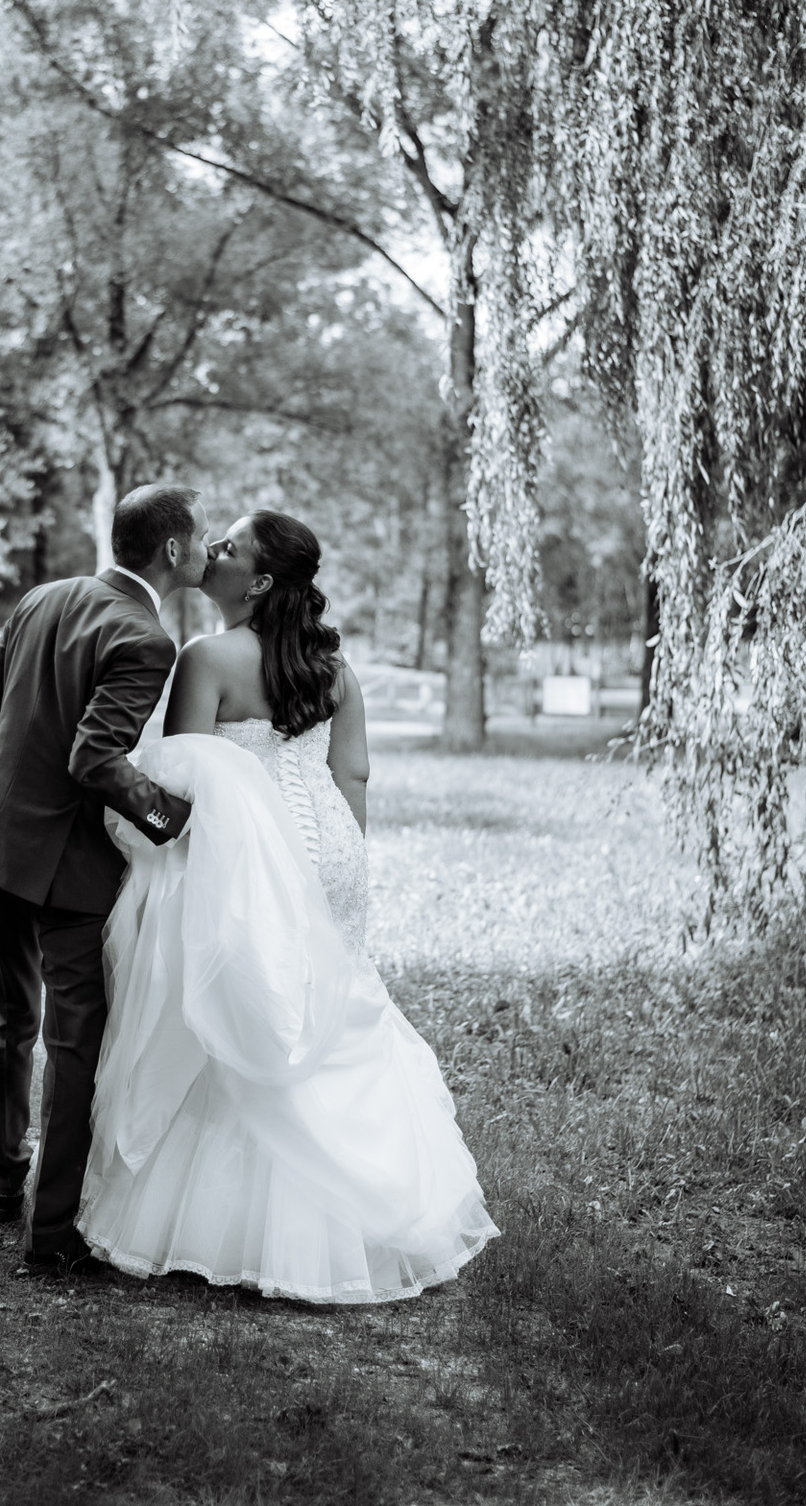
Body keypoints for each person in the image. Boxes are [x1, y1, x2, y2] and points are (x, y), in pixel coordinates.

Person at [73, 510, 499, 1303]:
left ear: (260, 581)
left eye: (231, 547)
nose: (215, 551)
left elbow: (181, 779)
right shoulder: (333, 668)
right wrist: (343, 873)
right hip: (333, 851)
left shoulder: (207, 658)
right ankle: (358, 1211)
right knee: (322, 1008)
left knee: (238, 1013)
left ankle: (225, 1222)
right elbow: (356, 776)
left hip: (253, 862)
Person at [0, 483, 210, 1273]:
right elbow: (95, 758)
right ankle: (50, 1237)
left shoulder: (43, 597)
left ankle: (2, 1184)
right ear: (174, 550)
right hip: (69, 867)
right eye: (203, 535)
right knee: (73, 1041)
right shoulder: (146, 639)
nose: (208, 546)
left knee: (3, 1016)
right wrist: (171, 818)